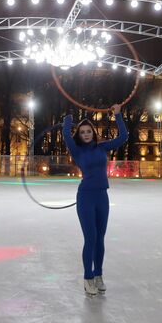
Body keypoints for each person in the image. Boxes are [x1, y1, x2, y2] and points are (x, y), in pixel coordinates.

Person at [62, 104, 128, 296]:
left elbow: (123, 137)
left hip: (102, 196)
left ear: (93, 132)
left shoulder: (102, 147)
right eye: (82, 132)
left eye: (89, 131)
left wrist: (118, 115)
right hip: (86, 197)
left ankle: (98, 275)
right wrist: (68, 118)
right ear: (79, 135)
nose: (86, 134)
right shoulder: (77, 150)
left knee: (100, 238)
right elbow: (67, 135)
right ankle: (88, 278)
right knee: (90, 238)